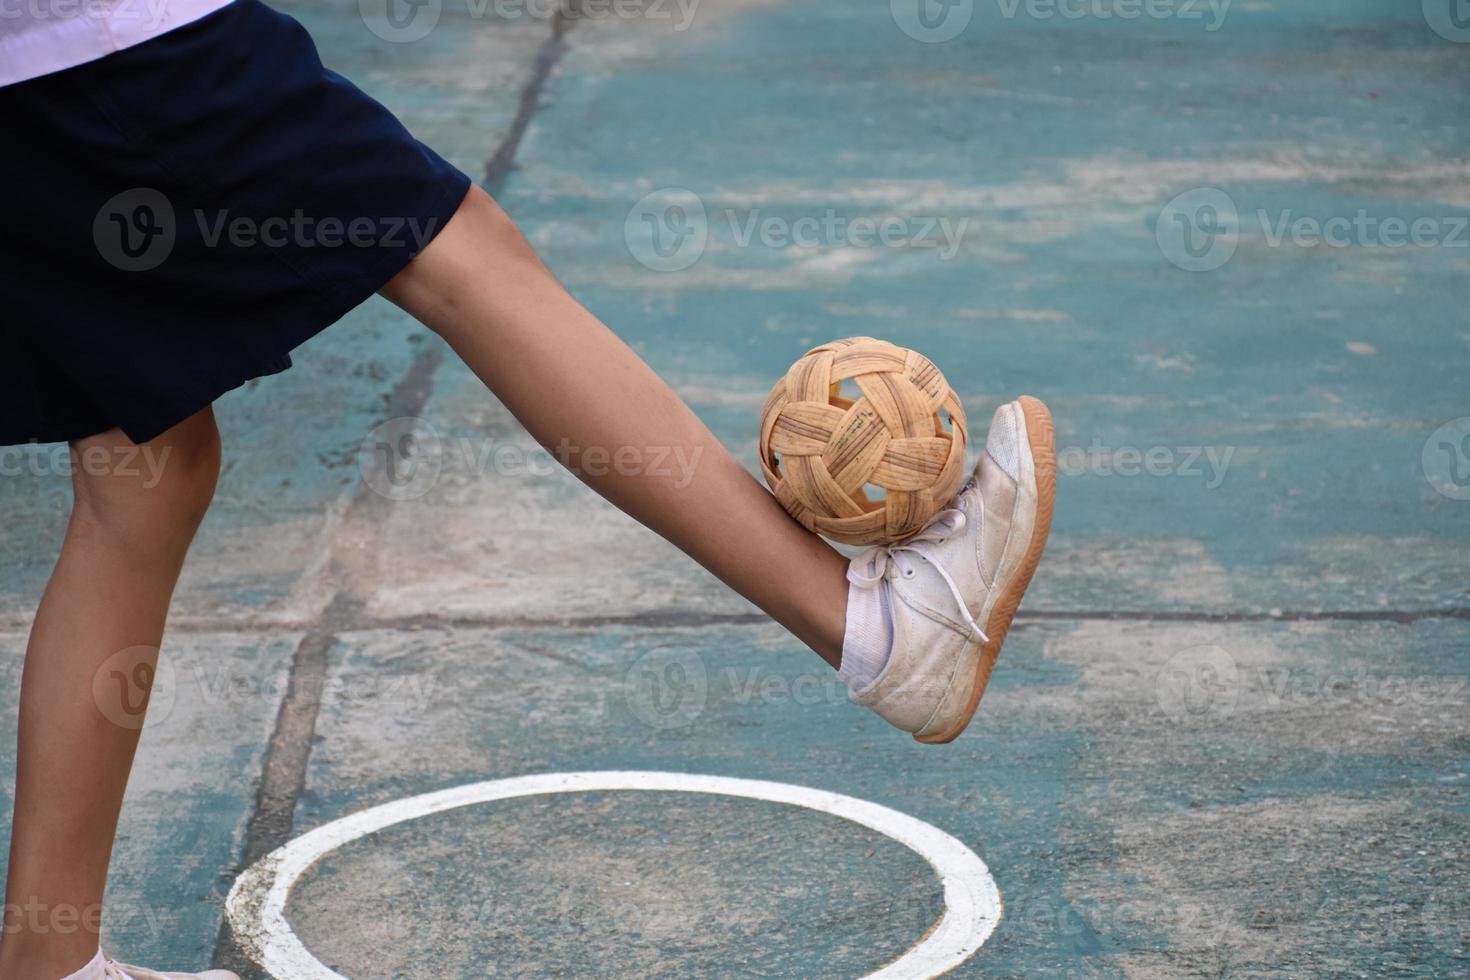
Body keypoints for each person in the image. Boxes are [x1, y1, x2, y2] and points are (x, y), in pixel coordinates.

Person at [0, 1, 1056, 976]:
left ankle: (48, 958)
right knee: (462, 255)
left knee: (145, 470)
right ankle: (878, 630)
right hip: (101, 38)